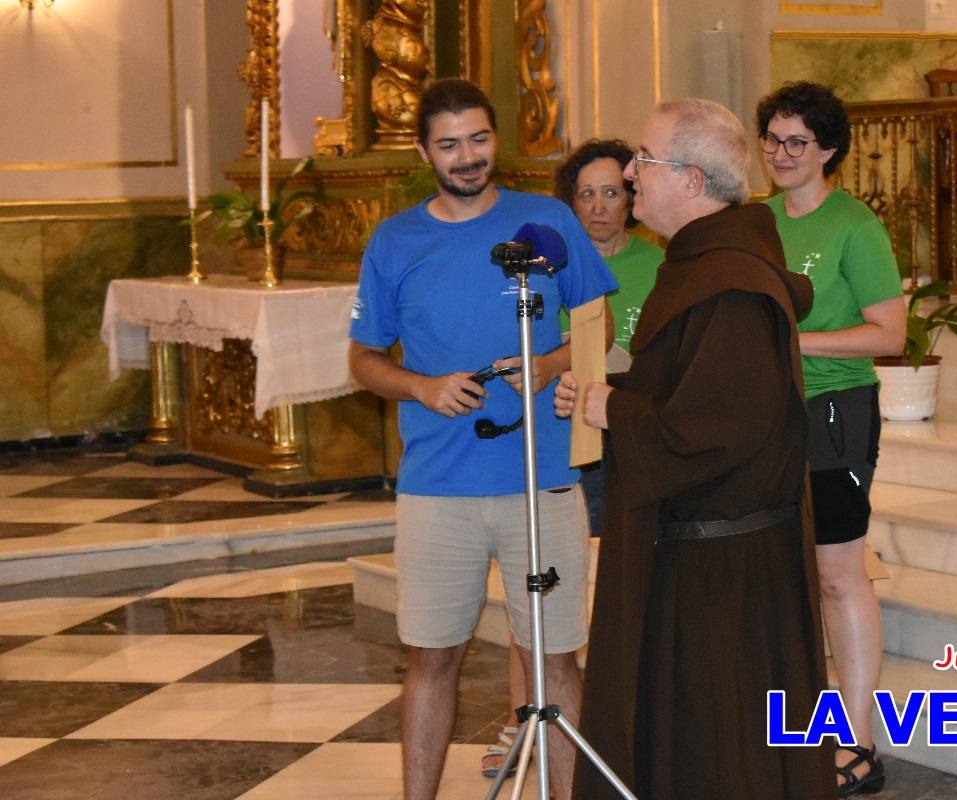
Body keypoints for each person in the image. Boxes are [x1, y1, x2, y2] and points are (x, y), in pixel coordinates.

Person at [555, 98, 835, 800]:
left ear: (688, 178)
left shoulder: (729, 283)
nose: (627, 173)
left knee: (717, 752)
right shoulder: (702, 266)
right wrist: (613, 391)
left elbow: (718, 428)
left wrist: (615, 408)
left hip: (724, 572)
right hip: (699, 556)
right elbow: (697, 389)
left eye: (641, 161)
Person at [347, 77, 617, 800]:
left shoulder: (546, 220)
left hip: (544, 476)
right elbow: (363, 358)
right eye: (449, 144)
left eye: (479, 139)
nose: (467, 157)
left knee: (557, 660)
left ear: (496, 139)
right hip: (439, 486)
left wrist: (554, 364)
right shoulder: (396, 239)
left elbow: (599, 325)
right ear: (423, 151)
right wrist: (423, 387)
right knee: (433, 658)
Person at [481, 138, 665, 780]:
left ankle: (618, 716)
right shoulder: (543, 264)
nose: (598, 205)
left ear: (633, 197)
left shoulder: (659, 262)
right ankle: (520, 718)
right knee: (540, 578)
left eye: (612, 191)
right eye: (584, 193)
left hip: (636, 437)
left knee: (623, 580)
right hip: (564, 437)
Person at [757, 81, 905, 797]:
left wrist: (799, 342)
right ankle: (798, 730)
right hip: (764, 416)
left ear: (829, 152)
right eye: (772, 140)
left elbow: (890, 333)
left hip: (835, 411)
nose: (781, 155)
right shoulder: (753, 221)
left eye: (797, 143)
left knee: (838, 574)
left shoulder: (855, 226)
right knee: (785, 574)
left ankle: (861, 745)